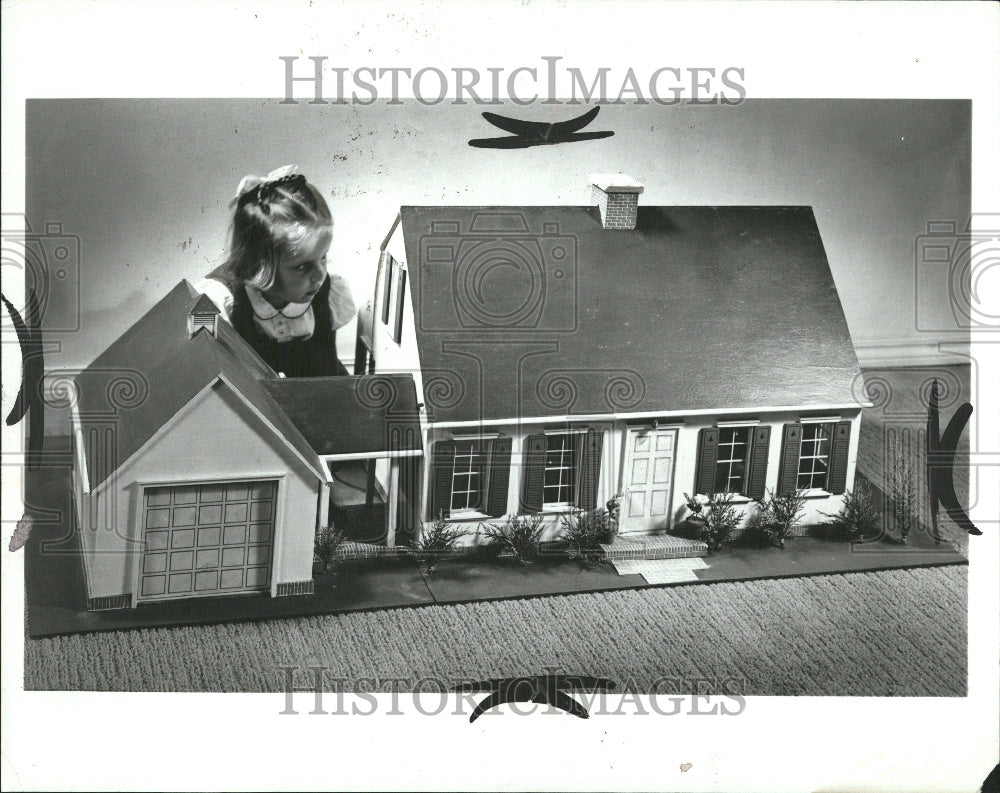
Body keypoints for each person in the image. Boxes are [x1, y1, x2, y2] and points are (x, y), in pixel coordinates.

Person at [196, 165, 356, 378]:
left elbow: (327, 362)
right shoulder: (224, 295)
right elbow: (191, 335)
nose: (319, 275)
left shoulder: (327, 290)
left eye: (323, 257)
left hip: (320, 393)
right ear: (261, 264)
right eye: (302, 266)